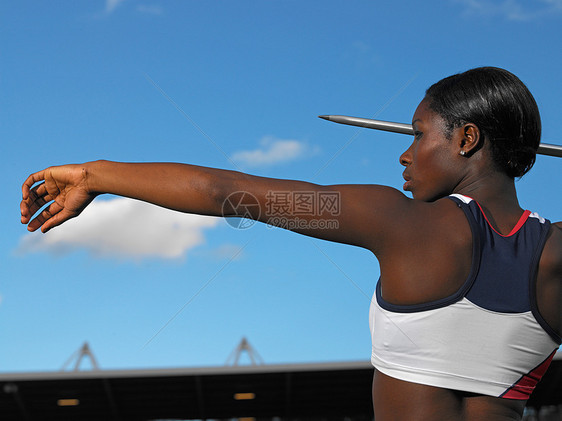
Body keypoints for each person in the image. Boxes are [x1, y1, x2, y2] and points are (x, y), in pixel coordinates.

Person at [20, 67, 561, 421]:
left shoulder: (399, 221)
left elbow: (225, 192)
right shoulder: (553, 254)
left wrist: (94, 175)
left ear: (466, 139)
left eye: (417, 134)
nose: (405, 154)